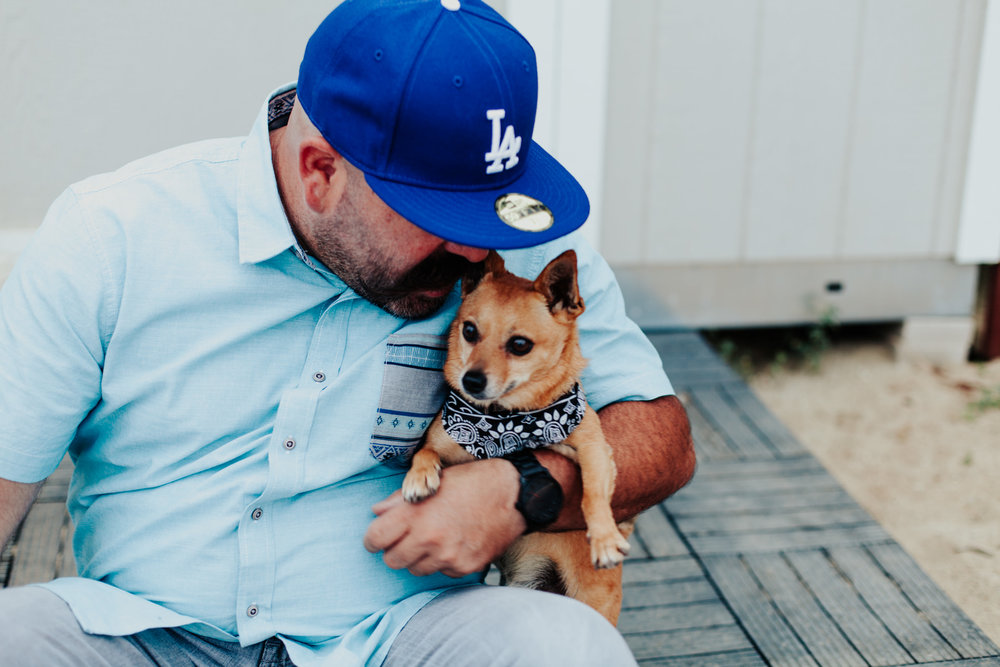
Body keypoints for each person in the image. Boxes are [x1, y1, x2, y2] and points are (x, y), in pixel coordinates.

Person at [0, 0, 695, 665]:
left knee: (569, 648)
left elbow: (664, 439)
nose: (477, 251)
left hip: (404, 639)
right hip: (142, 632)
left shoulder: (520, 261)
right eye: (439, 212)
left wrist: (523, 488)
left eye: (488, 211)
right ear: (321, 171)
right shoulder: (110, 238)